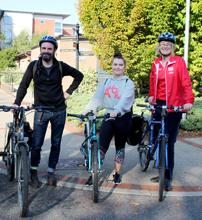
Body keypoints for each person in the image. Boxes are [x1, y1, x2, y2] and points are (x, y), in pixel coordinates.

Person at [12, 36, 84, 188]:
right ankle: (33, 173)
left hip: (59, 111)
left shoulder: (60, 66)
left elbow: (79, 75)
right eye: (44, 48)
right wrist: (16, 103)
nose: (46, 51)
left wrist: (68, 92)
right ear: (40, 50)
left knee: (56, 144)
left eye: (49, 49)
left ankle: (51, 172)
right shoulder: (33, 66)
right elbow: (23, 86)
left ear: (54, 51)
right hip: (41, 111)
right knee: (37, 144)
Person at [148, 32, 194, 191]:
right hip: (158, 105)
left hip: (174, 105)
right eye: (162, 44)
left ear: (172, 47)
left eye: (168, 44)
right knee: (156, 139)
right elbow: (153, 81)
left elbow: (186, 82)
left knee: (169, 142)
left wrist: (188, 101)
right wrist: (151, 97)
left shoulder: (178, 62)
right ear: (159, 46)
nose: (165, 46)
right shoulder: (156, 63)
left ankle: (167, 177)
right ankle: (158, 167)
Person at [82, 52, 135, 185]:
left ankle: (116, 173)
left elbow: (125, 100)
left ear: (124, 67)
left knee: (120, 147)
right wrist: (86, 112)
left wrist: (116, 111)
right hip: (108, 117)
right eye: (115, 64)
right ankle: (94, 173)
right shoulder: (107, 81)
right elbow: (97, 99)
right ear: (111, 66)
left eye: (120, 65)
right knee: (101, 147)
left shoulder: (128, 83)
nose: (117, 67)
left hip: (123, 118)